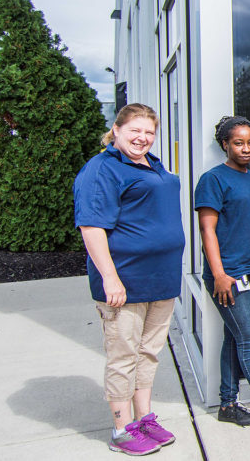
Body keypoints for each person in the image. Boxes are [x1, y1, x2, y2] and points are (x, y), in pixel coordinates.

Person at [74, 103, 185, 455]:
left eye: (149, 132)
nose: (143, 138)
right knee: (123, 357)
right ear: (117, 129)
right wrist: (110, 278)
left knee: (149, 353)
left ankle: (144, 419)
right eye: (135, 130)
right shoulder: (102, 169)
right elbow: (91, 227)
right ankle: (122, 430)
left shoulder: (153, 164)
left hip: (161, 279)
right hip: (126, 281)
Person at [194, 116, 250, 428]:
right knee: (249, 338)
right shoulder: (213, 179)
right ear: (225, 145)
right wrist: (218, 273)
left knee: (235, 337)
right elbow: (207, 230)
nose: (246, 149)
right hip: (228, 276)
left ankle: (228, 403)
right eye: (238, 143)